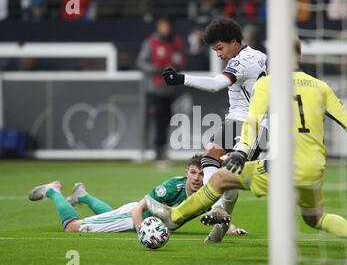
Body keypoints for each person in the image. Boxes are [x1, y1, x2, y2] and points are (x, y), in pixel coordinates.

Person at [145, 38, 347, 257]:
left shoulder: (267, 83)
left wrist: (241, 150)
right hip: (314, 169)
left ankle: (174, 217)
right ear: (300, 57)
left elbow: (251, 120)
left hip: (283, 165)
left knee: (220, 177)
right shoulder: (320, 87)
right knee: (315, 218)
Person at [162, 17, 267, 242]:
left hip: (248, 123)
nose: (218, 54)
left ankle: (216, 209)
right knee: (229, 177)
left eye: (220, 48)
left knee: (212, 153)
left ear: (234, 42)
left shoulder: (240, 62)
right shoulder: (258, 55)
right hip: (256, 125)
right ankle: (221, 223)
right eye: (214, 50)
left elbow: (216, 84)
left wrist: (181, 78)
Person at [28, 154, 246, 235]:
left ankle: (82, 195)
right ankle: (53, 191)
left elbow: (217, 211)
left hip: (136, 219)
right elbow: (138, 208)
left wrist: (232, 228)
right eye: (193, 173)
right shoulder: (172, 187)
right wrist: (143, 229)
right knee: (73, 228)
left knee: (114, 215)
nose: (197, 178)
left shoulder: (206, 193)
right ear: (186, 173)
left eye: (201, 173)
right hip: (135, 216)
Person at [137, 17, 185, 162]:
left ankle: (163, 149)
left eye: (167, 26)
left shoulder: (176, 42)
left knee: (167, 119)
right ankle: (157, 151)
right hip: (155, 88)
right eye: (163, 26)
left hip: (170, 89)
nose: (165, 29)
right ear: (158, 27)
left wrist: (176, 68)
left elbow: (181, 61)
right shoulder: (151, 42)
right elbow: (141, 62)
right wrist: (157, 69)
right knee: (157, 120)